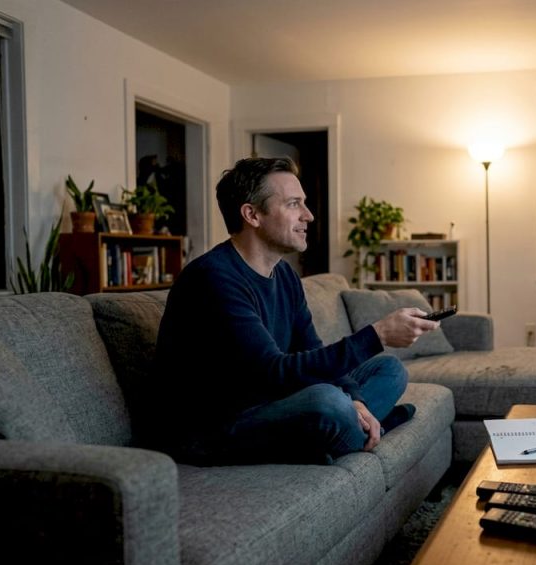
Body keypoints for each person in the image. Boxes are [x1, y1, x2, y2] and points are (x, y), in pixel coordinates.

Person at [152, 157, 439, 465]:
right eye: (293, 204)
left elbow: (310, 349)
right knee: (327, 401)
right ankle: (372, 426)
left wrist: (356, 400)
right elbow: (273, 372)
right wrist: (377, 335)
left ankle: (347, 431)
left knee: (389, 370)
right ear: (252, 215)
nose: (309, 215)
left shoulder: (285, 275)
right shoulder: (213, 278)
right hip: (214, 429)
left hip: (271, 400)